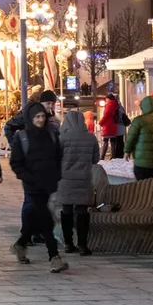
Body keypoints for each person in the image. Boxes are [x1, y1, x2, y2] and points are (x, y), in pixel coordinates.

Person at [9, 102, 68, 273]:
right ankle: (54, 257)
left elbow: (58, 156)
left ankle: (21, 243)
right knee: (46, 220)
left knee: (36, 218)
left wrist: (56, 174)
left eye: (42, 116)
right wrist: (28, 177)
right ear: (30, 118)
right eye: (37, 117)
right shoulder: (23, 137)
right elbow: (16, 163)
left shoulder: (50, 134)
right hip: (32, 185)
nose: (41, 120)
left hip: (48, 183)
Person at [4, 90, 59, 247]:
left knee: (41, 204)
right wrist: (17, 145)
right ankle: (27, 235)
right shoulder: (28, 113)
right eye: (47, 103)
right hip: (30, 167)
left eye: (52, 104)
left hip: (45, 169)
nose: (50, 106)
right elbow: (8, 126)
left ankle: (34, 234)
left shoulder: (49, 117)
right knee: (30, 202)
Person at [59, 110, 100, 256]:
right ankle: (83, 245)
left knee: (66, 211)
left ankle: (68, 244)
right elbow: (95, 159)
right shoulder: (91, 138)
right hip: (84, 180)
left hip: (66, 180)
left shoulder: (62, 138)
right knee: (82, 212)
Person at [99, 93, 128, 160]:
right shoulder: (118, 106)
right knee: (115, 142)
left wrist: (101, 122)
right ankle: (115, 156)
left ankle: (106, 156)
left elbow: (106, 115)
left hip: (112, 126)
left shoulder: (111, 105)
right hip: (117, 126)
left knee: (108, 142)